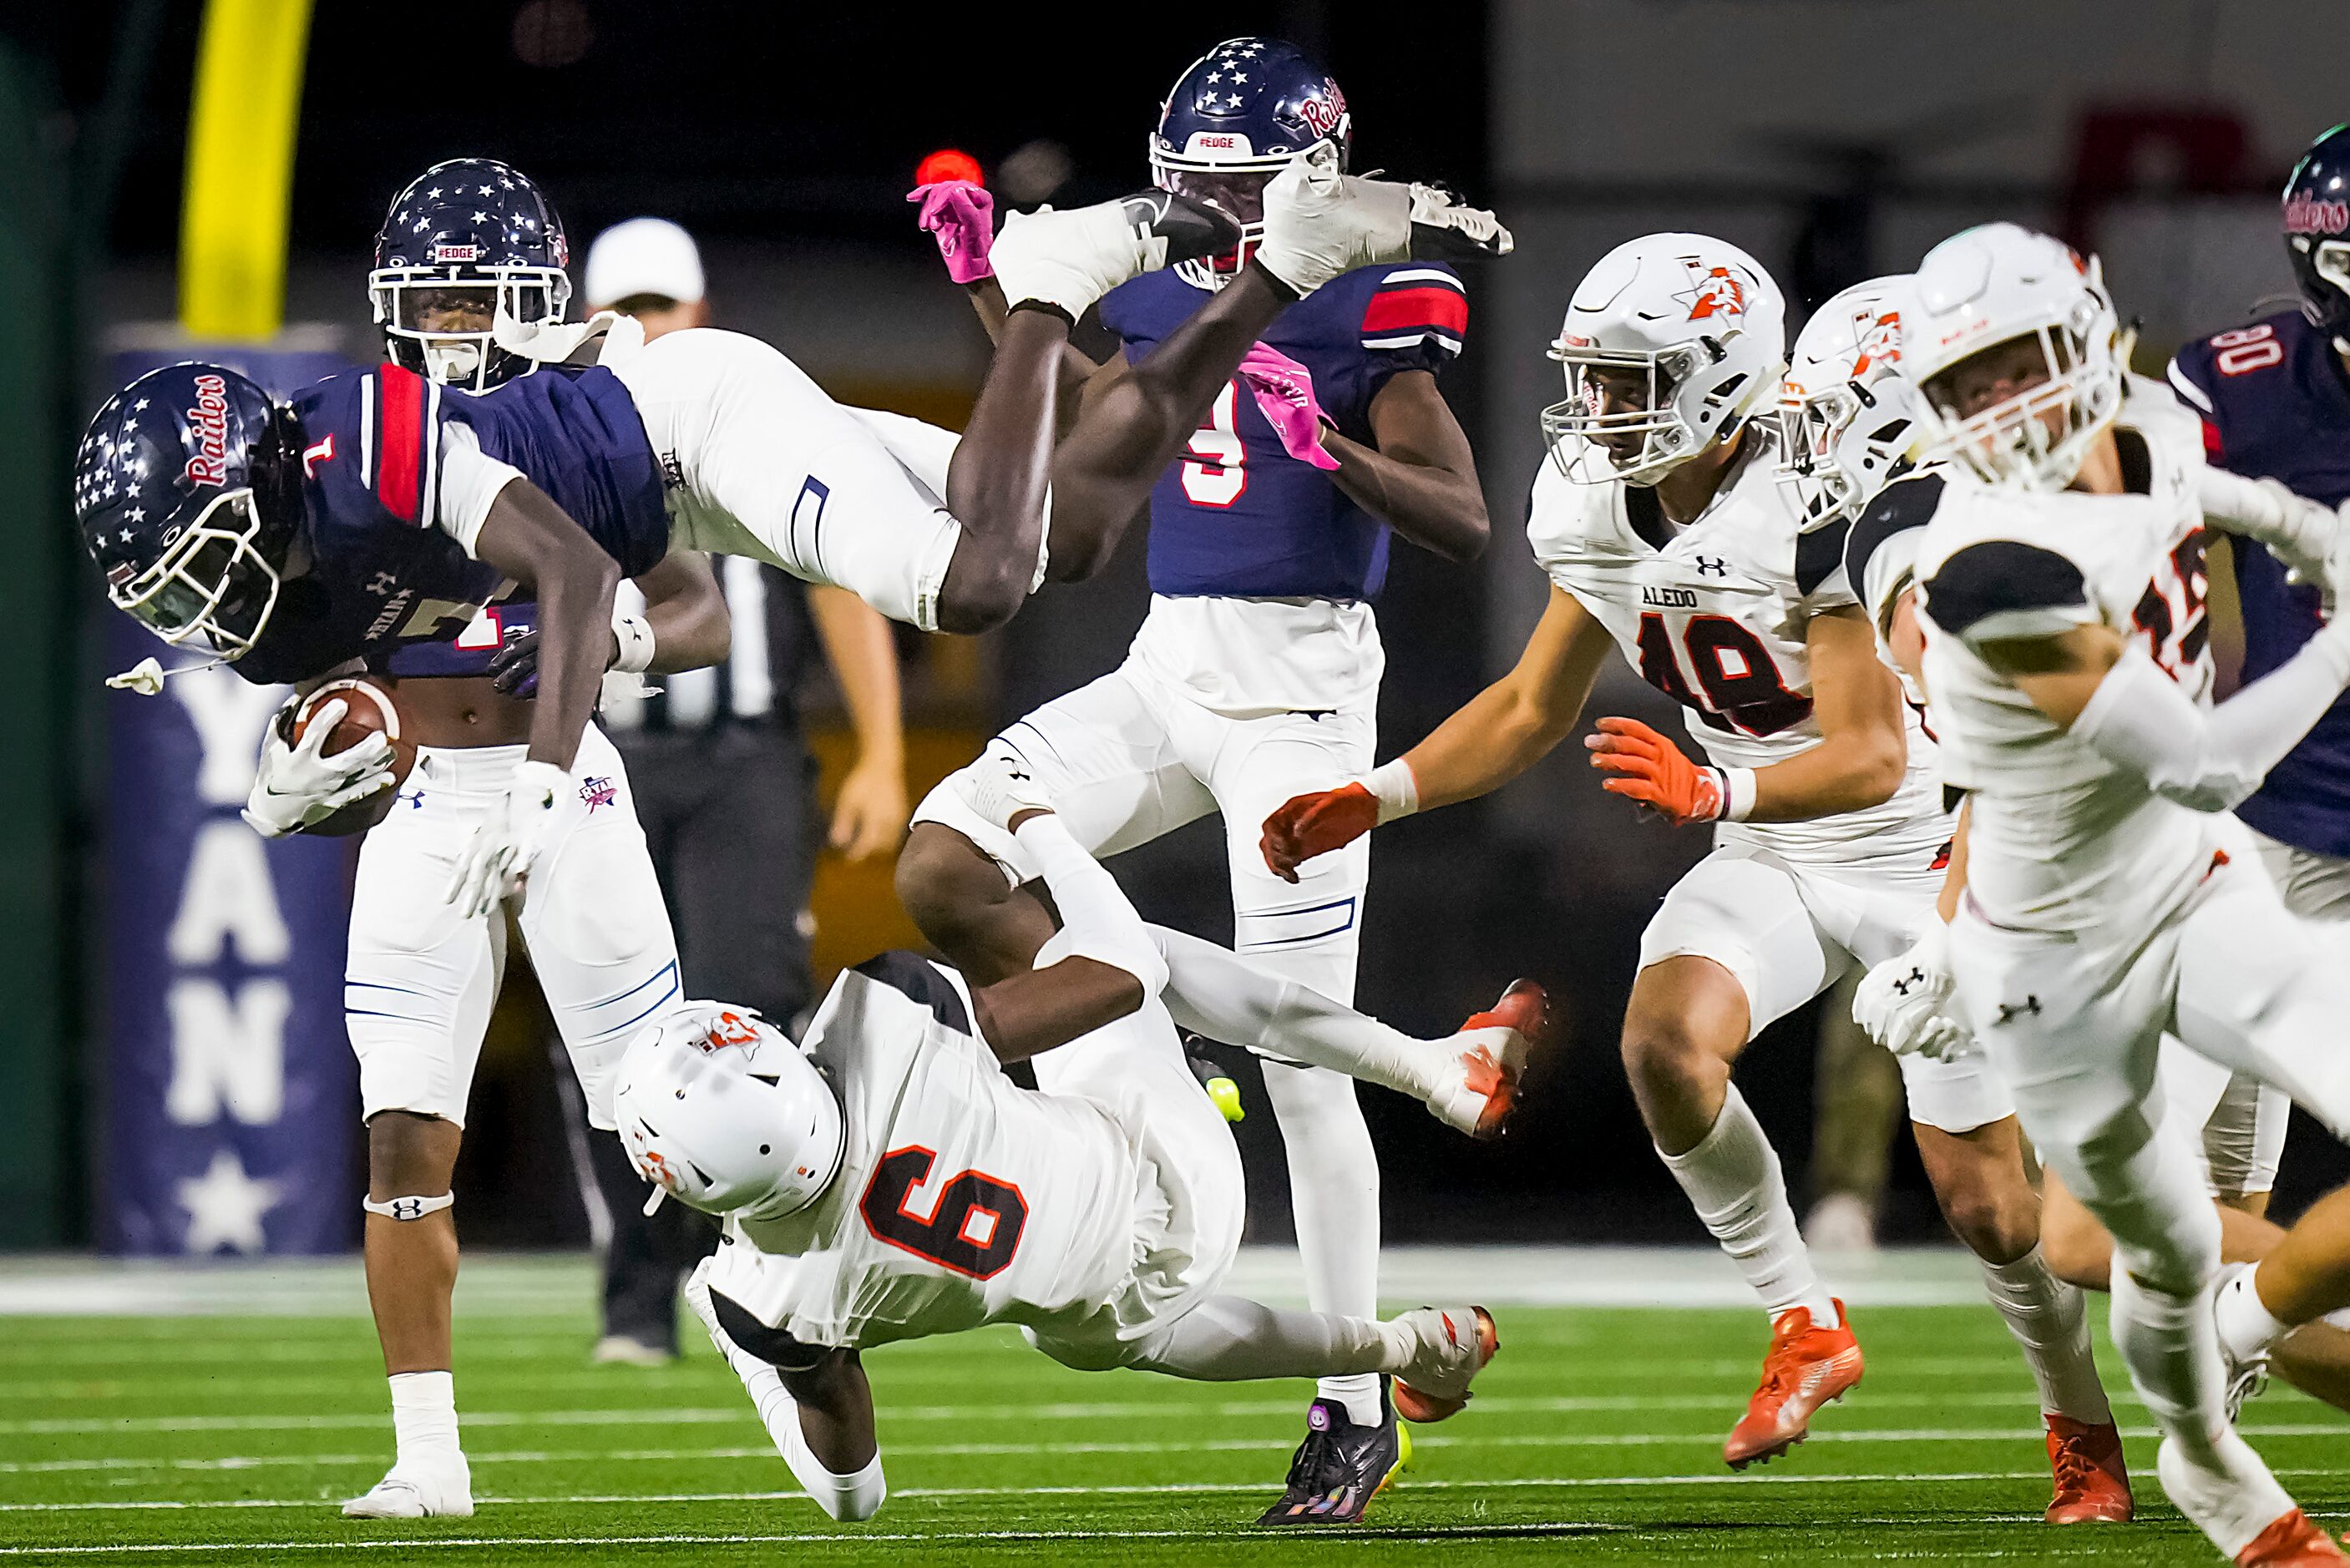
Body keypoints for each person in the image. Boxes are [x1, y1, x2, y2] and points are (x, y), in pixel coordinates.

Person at [1259, 236, 2136, 1524]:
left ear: (1724, 381)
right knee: (1666, 1043)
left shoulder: (1819, 495)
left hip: (1917, 853)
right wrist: (1377, 795)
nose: (1601, 410)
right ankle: (1802, 1318)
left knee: (1990, 1206)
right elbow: (1524, 705)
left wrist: (1716, 788)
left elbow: (1866, 752)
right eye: (1595, 380)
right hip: (1770, 853)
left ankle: (2081, 1423)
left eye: (1634, 383)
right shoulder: (1593, 503)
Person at [892, 38, 1502, 1522]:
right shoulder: (1179, 274)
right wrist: (1000, 292)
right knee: (950, 851)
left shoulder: (1381, 286)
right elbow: (1126, 410)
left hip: (1300, 685)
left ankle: (1353, 1394)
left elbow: (1467, 520)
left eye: (1240, 188)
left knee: (1303, 1075)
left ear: (1304, 176)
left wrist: (1340, 460)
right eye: (1196, 184)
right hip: (1168, 669)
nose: (1211, 213)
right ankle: (1157, 1030)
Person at [73, 165, 732, 1520]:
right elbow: (294, 634)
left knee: (665, 1121)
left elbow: (700, 612)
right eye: (422, 300)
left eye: (469, 297)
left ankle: (799, 1336)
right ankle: (427, 1457)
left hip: (566, 782)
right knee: (400, 1139)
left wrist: (611, 645)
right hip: (429, 801)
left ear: (532, 300)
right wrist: (295, 761)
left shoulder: (569, 422)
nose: (446, 326)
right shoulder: (356, 436)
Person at [610, 760, 1537, 1522]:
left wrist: (753, 1348)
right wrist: (1036, 816)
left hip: (1102, 1320)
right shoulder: (880, 1020)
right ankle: (1428, 1073)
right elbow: (1125, 967)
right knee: (1151, 963)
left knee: (1106, 1317)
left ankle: (1405, 1345)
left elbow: (852, 1495)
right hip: (1174, 1174)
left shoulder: (769, 1297)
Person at [1897, 220, 2350, 1564]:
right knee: (2145, 1245)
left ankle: (2231, 1355)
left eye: (2013, 364)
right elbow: (2208, 764)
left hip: (2196, 892)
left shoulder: (2153, 422)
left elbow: (2199, 496)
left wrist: (2308, 532)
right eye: (1964, 387)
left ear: (2089, 340)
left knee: (2186, 1255)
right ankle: (2208, 1458)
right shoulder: (1985, 566)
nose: (2000, 408)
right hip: (2055, 964)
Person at [562, 215, 911, 1365]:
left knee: (754, 1001)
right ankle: (635, 1297)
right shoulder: (554, 430)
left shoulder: (751, 415)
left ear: (699, 311)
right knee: (604, 1028)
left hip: (746, 757)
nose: (648, 327)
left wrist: (883, 752)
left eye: (664, 304)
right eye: (627, 308)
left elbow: (839, 584)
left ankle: (767, 1274)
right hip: (604, 760)